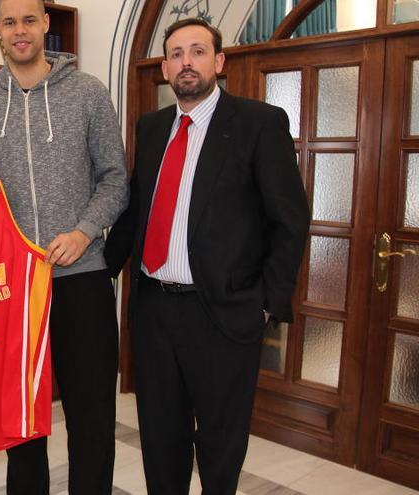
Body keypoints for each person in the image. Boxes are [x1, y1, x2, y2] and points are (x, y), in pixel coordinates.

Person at [104, 18, 310, 495]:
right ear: (164, 68)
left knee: (219, 446)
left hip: (222, 312)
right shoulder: (152, 127)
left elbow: (290, 220)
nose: (186, 63)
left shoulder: (259, 123)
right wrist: (100, 274)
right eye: (176, 54)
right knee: (160, 440)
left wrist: (268, 303)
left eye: (197, 52)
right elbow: (138, 210)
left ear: (219, 61)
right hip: (155, 310)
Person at [0, 0, 128, 492]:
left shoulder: (89, 94)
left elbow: (115, 181)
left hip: (83, 278)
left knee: (91, 418)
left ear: (46, 25)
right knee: (21, 422)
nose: (20, 30)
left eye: (29, 19)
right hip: (11, 287)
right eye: (9, 22)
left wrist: (84, 231)